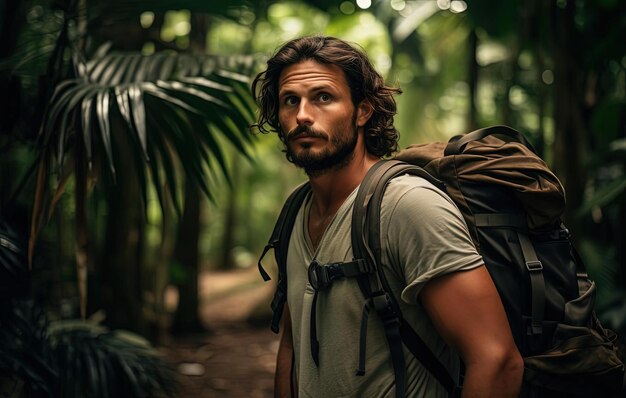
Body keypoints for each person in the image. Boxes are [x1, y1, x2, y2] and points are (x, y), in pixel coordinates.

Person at [251, 35, 523, 397]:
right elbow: (292, 344)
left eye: (323, 97)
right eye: (290, 101)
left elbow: (497, 360)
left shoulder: (407, 206)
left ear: (362, 111)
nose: (302, 115)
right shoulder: (296, 211)